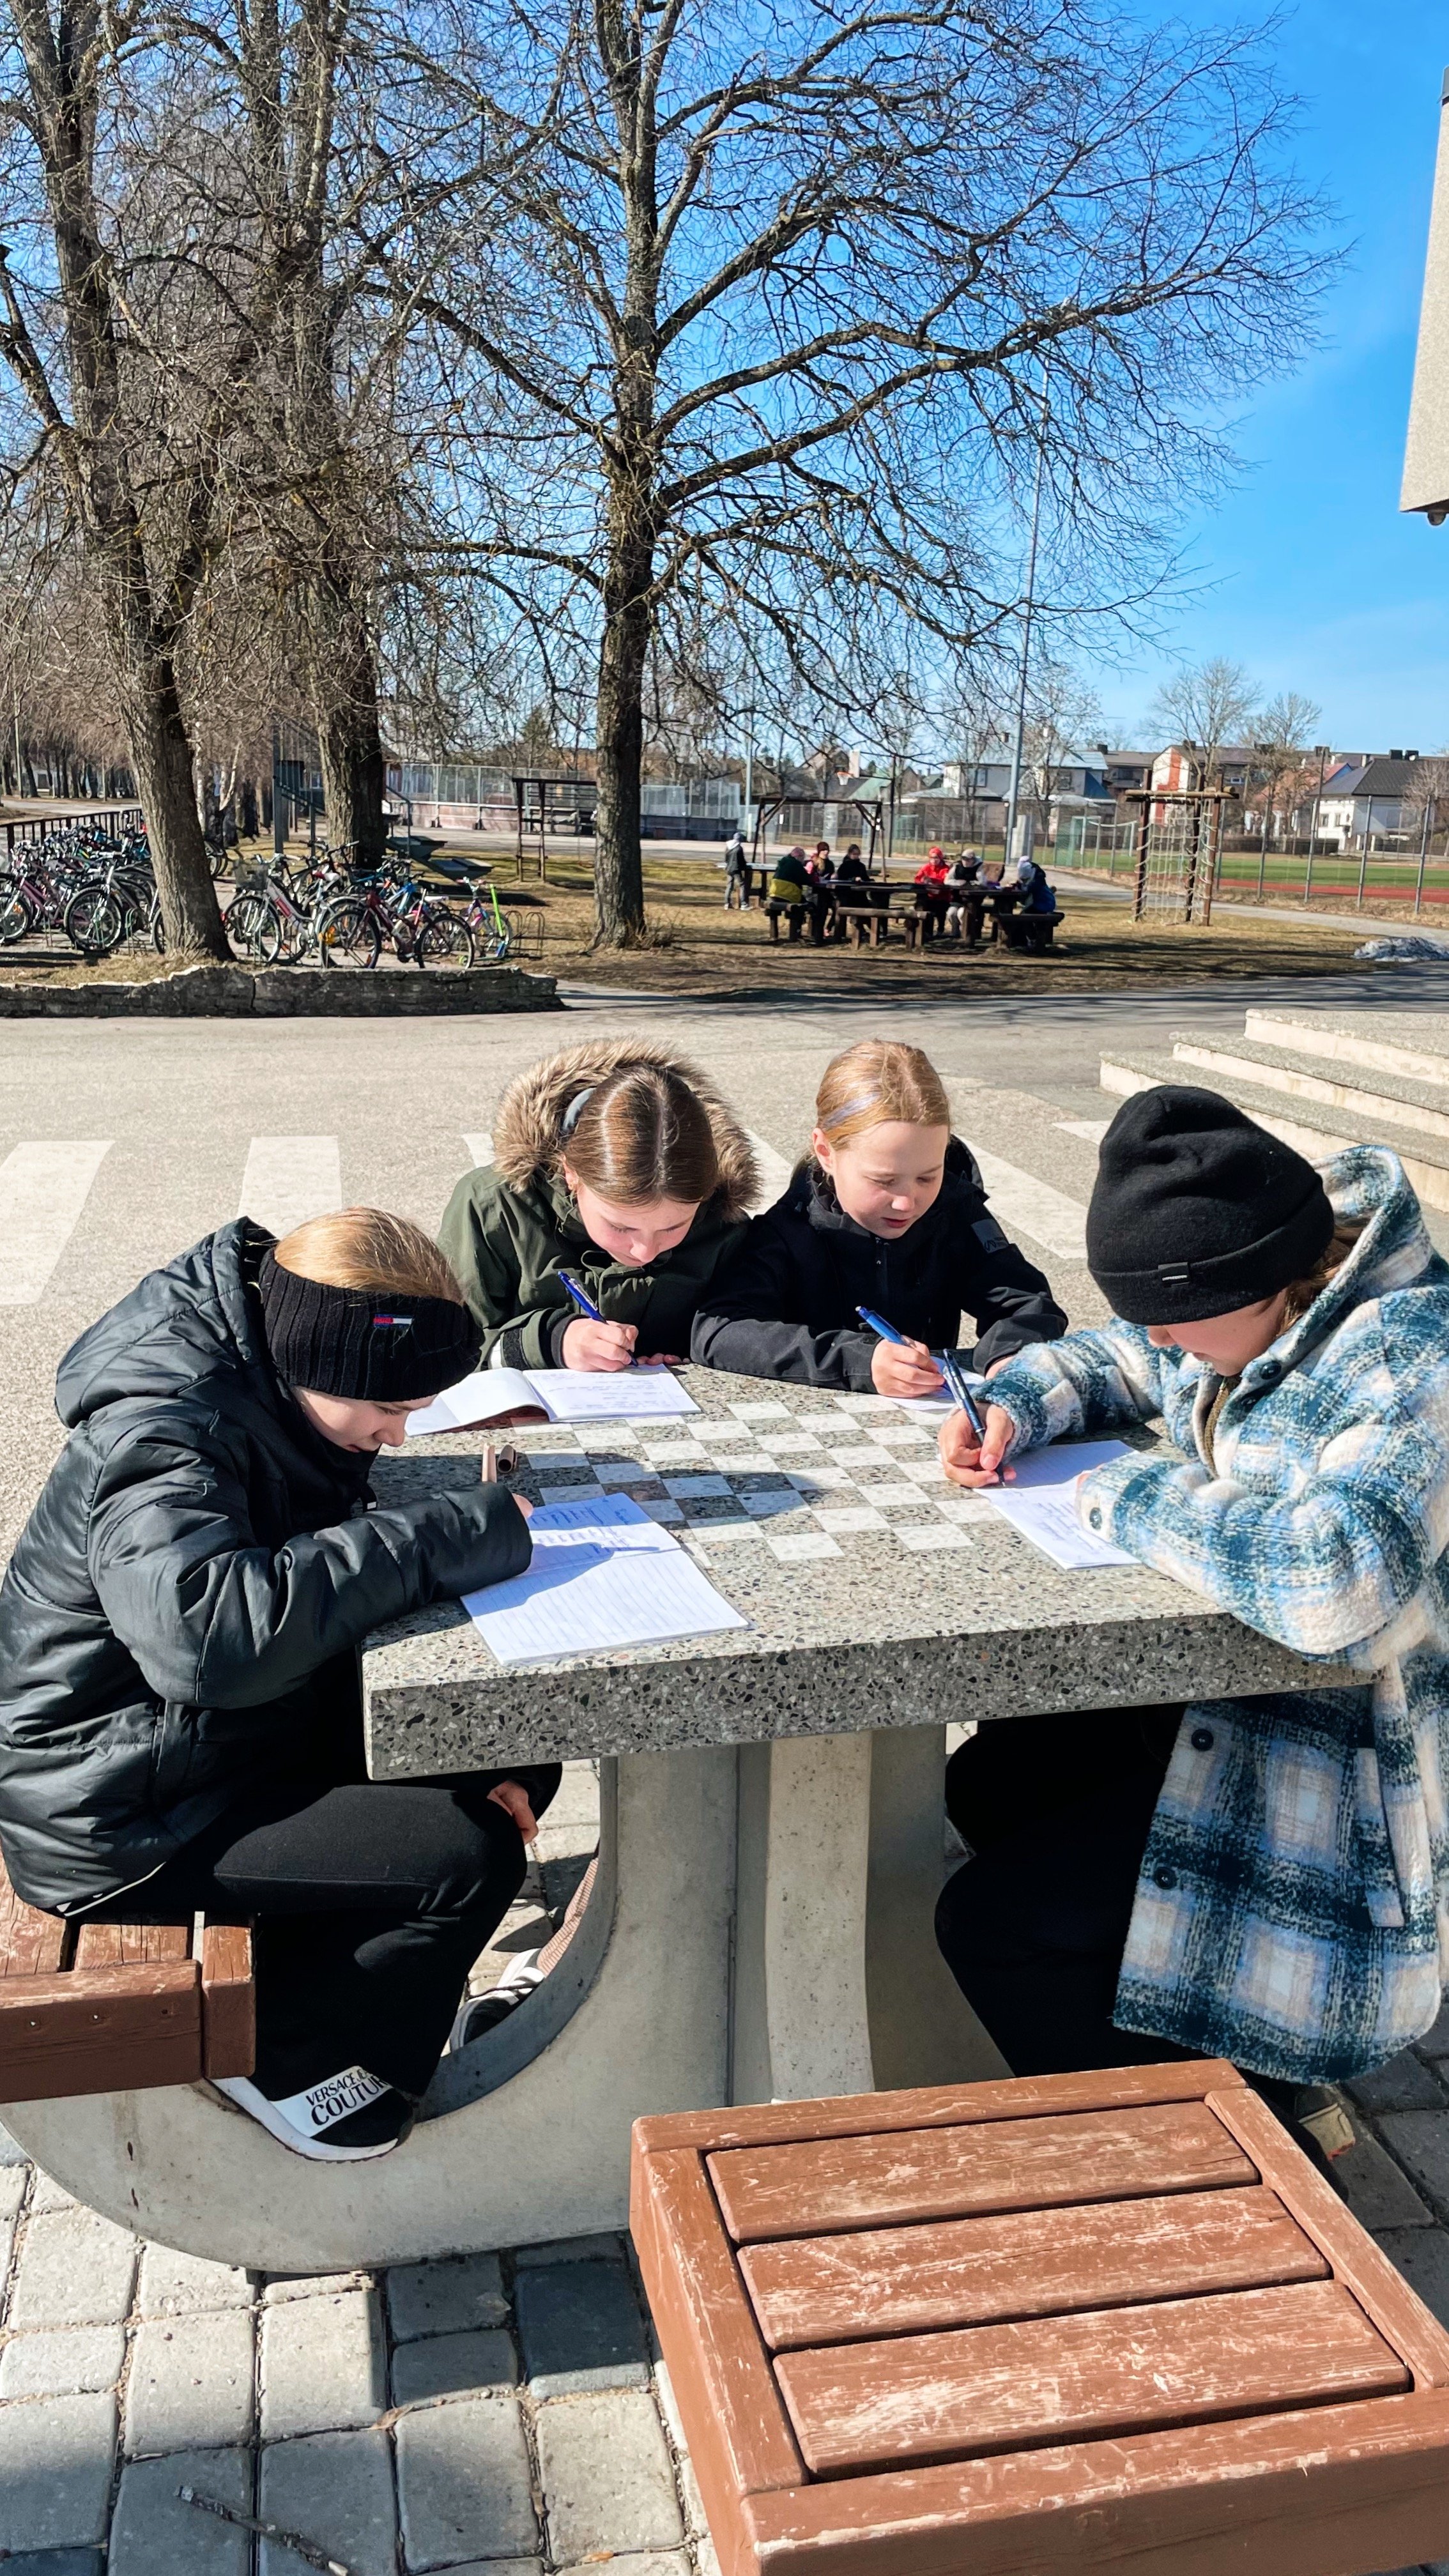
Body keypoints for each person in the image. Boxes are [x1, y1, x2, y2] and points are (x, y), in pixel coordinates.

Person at [934, 1084, 1449, 2138]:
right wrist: (1014, 1405)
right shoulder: (1242, 1293)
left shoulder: (1410, 1360)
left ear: (1254, 1276)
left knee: (994, 1925)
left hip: (1333, 1776)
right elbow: (1120, 1355)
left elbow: (1332, 1573)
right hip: (1235, 1703)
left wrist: (1134, 1497)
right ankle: (1211, 2062)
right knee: (992, 1780)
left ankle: (1224, 2160)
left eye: (1170, 1311)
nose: (1159, 1332)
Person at [0, 1209, 548, 2162]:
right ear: (313, 1362)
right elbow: (210, 1645)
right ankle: (295, 2066)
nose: (399, 1433)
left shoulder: (267, 1377)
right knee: (469, 1856)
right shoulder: (164, 1433)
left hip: (202, 1748)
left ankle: (337, 1988)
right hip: (120, 1813)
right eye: (388, 1407)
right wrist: (452, 1533)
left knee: (507, 1750)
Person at [691, 1039, 1066, 1392]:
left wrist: (1011, 1358)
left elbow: (1026, 1303)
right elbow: (718, 1331)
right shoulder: (789, 1230)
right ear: (826, 1152)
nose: (907, 1203)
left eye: (927, 1177)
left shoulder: (954, 1211)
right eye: (884, 1181)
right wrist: (858, 1360)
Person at [438, 1040, 759, 1371]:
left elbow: (744, 1324)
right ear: (571, 1173)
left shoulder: (722, 1220)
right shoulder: (493, 1207)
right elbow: (443, 1350)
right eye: (620, 1226)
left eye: (673, 1227)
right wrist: (551, 1343)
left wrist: (690, 1353)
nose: (645, 1251)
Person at [765, 843, 809, 942]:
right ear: (800, 857)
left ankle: (774, 935)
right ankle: (797, 932)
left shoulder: (783, 862)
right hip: (787, 895)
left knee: (801, 900)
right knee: (803, 904)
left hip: (774, 894)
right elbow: (807, 880)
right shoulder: (797, 864)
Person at [912, 846, 951, 942]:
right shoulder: (925, 868)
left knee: (939, 909)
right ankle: (926, 932)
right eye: (932, 858)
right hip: (928, 896)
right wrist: (923, 881)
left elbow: (945, 882)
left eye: (936, 858)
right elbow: (917, 879)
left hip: (942, 898)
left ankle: (940, 929)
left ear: (940, 858)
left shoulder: (946, 869)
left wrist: (933, 881)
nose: (934, 860)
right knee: (922, 906)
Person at [944, 850, 981, 944]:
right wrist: (958, 883)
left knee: (961, 914)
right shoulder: (957, 867)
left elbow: (982, 883)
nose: (965, 861)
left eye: (968, 859)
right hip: (957, 899)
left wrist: (970, 883)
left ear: (973, 860)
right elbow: (947, 881)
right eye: (964, 859)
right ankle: (955, 933)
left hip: (971, 901)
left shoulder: (978, 868)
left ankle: (965, 934)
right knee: (951, 913)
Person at [722, 827, 749, 908]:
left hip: (729, 869)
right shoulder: (739, 848)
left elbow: (726, 859)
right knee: (742, 885)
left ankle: (727, 904)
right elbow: (742, 860)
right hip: (737, 869)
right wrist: (745, 866)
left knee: (729, 886)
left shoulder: (728, 846)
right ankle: (743, 904)